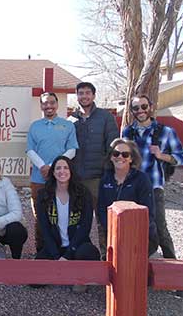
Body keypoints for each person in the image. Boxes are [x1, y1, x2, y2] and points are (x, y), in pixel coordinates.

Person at [122, 95, 183, 260]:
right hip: (132, 187)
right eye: (136, 108)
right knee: (133, 229)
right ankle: (137, 266)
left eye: (143, 106)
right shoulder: (127, 132)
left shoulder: (166, 132)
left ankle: (173, 271)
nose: (140, 111)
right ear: (132, 111)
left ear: (150, 107)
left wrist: (162, 155)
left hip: (154, 187)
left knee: (160, 228)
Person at [68, 81, 119, 254]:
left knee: (103, 220)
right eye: (80, 93)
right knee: (78, 221)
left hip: (98, 178)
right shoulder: (71, 120)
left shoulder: (105, 117)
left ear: (93, 95)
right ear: (77, 96)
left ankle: (107, 256)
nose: (84, 96)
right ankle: (82, 254)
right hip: (76, 179)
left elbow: (113, 147)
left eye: (87, 93)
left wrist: (108, 172)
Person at [36, 156, 100, 291]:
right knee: (34, 281)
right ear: (53, 172)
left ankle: (78, 277)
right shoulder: (43, 195)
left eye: (65, 167)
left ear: (71, 171)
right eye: (58, 168)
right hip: (55, 245)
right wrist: (56, 256)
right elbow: (44, 228)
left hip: (76, 245)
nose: (62, 171)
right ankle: (66, 273)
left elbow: (85, 227)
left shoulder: (83, 193)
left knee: (89, 253)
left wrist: (67, 255)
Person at [26, 92, 78, 252]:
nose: (49, 106)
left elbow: (72, 150)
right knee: (40, 216)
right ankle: (41, 250)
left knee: (62, 214)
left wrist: (52, 167)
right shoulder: (35, 126)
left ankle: (62, 248)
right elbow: (30, 150)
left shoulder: (68, 125)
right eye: (45, 103)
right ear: (41, 105)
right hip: (39, 178)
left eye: (52, 103)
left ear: (57, 104)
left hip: (61, 179)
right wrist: (43, 167)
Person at [98, 138, 158, 257]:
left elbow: (148, 212)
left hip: (139, 235)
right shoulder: (105, 179)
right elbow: (101, 209)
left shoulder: (142, 180)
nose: (120, 157)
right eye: (116, 153)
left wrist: (129, 235)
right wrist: (113, 231)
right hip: (113, 234)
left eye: (125, 154)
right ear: (111, 157)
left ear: (131, 159)